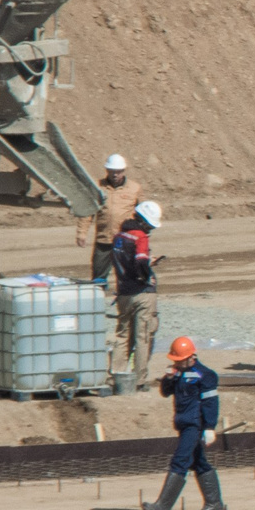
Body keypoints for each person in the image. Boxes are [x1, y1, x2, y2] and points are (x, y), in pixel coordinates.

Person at [141, 337, 224, 510]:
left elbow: (211, 403)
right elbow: (165, 392)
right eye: (175, 360)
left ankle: (162, 508)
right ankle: (215, 505)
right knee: (199, 463)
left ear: (190, 357)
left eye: (179, 360)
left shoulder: (205, 375)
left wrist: (210, 427)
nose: (176, 363)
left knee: (180, 462)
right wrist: (169, 379)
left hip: (195, 426)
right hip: (184, 424)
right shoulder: (177, 373)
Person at [108, 198, 163, 395]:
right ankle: (139, 380)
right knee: (142, 336)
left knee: (122, 335)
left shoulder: (119, 237)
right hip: (141, 293)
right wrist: (148, 274)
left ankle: (117, 376)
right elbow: (140, 261)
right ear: (145, 222)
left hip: (123, 292)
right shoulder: (140, 237)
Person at [76, 153, 141, 284]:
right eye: (112, 171)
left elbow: (142, 214)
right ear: (107, 170)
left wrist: (141, 236)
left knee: (127, 277)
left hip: (125, 241)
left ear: (123, 170)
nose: (115, 175)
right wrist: (82, 233)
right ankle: (98, 299)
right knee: (98, 279)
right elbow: (88, 211)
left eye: (118, 171)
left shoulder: (135, 188)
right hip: (103, 240)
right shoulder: (97, 187)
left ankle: (125, 301)